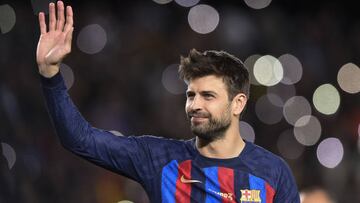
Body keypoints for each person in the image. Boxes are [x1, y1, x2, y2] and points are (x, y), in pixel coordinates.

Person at [36, 1, 300, 202]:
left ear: (238, 104)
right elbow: (79, 139)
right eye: (191, 95)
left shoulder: (273, 172)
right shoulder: (159, 159)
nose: (195, 105)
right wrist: (50, 74)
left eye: (208, 96)